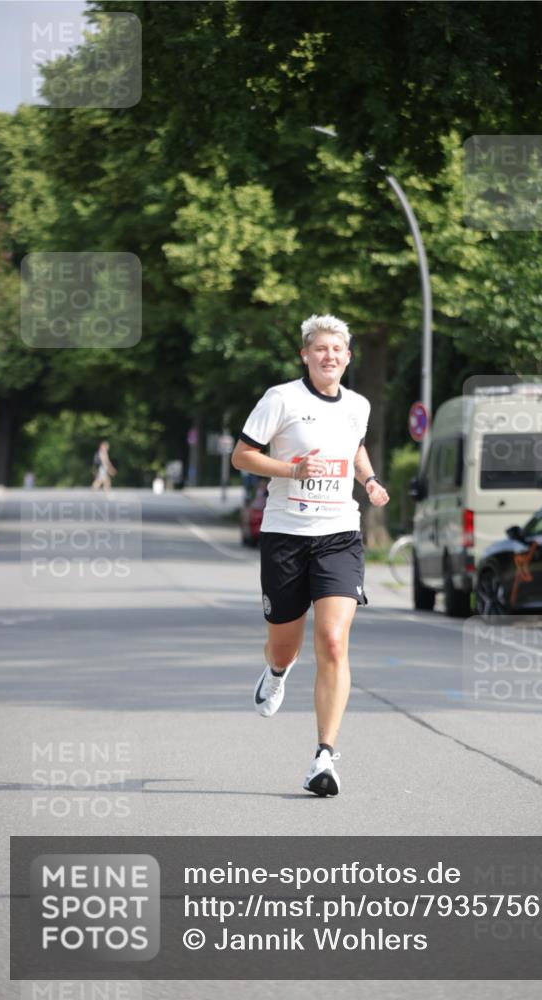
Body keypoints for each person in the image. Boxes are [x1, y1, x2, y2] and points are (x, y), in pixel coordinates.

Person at [231, 314, 390, 797]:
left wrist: (369, 480)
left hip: (339, 533)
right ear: (305, 354)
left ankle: (324, 757)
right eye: (320, 349)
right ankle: (277, 672)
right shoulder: (281, 399)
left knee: (334, 641)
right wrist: (290, 469)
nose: (329, 356)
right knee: (286, 644)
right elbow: (241, 456)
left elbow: (355, 446)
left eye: (337, 349)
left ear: (348, 356)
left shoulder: (358, 405)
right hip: (286, 534)